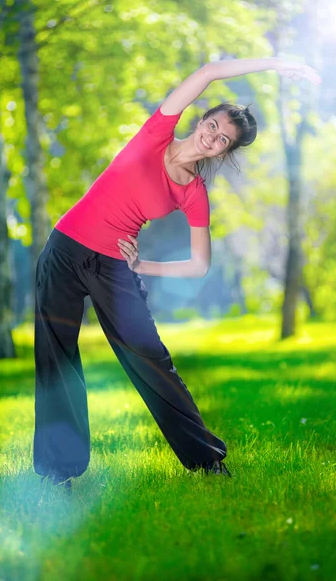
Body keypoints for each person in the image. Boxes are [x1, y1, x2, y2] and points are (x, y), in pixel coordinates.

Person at [34, 56, 321, 492]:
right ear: (202, 118)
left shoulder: (193, 192)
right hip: (64, 248)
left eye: (223, 140)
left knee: (151, 360)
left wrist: (142, 266)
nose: (213, 138)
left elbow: (199, 264)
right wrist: (277, 64)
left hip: (114, 266)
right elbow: (208, 72)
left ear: (226, 151)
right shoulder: (155, 133)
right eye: (214, 127)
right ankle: (58, 474)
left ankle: (207, 461)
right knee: (56, 359)